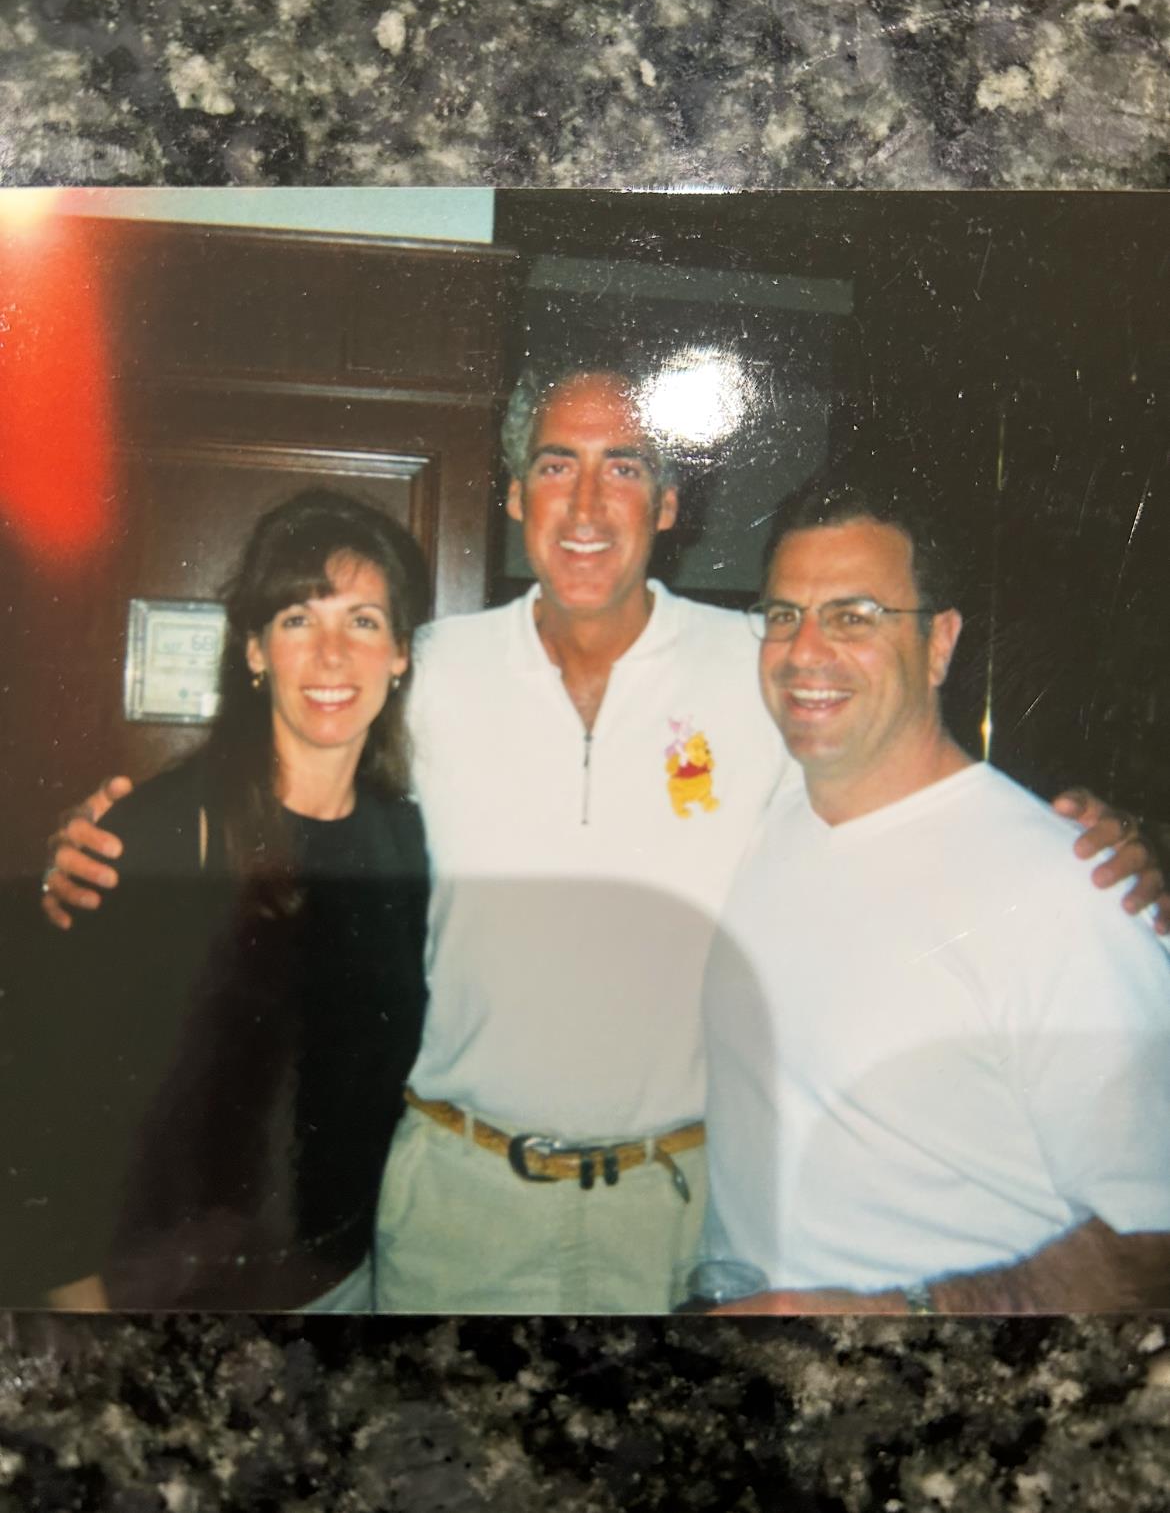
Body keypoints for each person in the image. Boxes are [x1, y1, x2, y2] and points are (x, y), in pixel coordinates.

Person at [39, 365, 1168, 1314]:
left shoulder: (764, 665)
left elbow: (892, 766)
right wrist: (108, 838)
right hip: (452, 1207)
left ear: (669, 505)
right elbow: (292, 758)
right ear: (516, 491)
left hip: (669, 1221)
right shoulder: (428, 669)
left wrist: (1096, 836)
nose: (586, 503)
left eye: (624, 466)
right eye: (555, 465)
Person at [701, 476, 1170, 1314]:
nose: (806, 650)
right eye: (782, 615)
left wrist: (912, 1314)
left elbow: (1153, 1239)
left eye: (854, 617)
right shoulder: (757, 824)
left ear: (941, 643)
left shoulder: (1070, 890)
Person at [13, 489, 429, 1311]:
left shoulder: (407, 843)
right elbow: (50, 1106)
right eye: (298, 620)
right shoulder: (159, 833)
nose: (332, 655)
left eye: (364, 621)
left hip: (343, 1285)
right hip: (163, 1296)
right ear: (254, 650)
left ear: (401, 655)